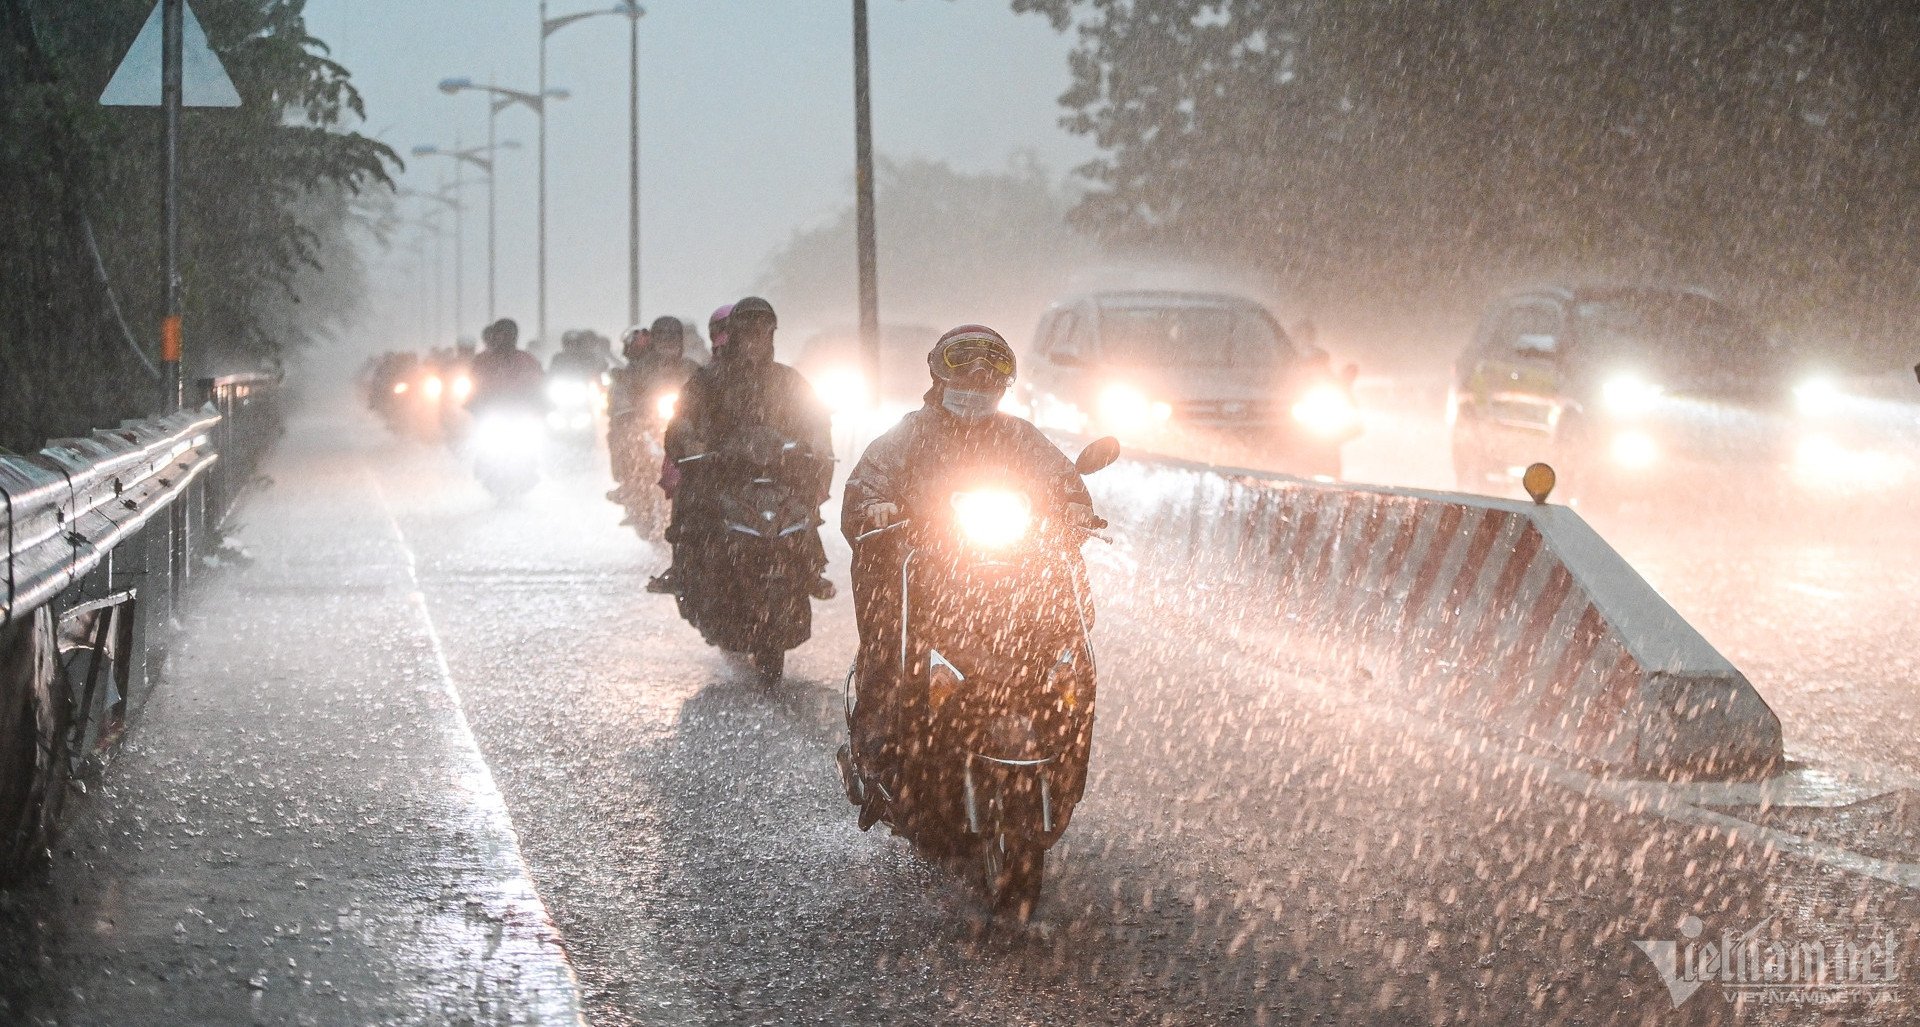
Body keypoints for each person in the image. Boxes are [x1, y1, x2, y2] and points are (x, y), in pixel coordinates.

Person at [837, 324, 1097, 813]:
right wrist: (876, 507)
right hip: (931, 576)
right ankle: (877, 756)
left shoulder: (1021, 436)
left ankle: (1061, 750)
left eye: (993, 362)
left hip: (1012, 577)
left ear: (1007, 378)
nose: (979, 374)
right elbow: (864, 485)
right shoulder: (909, 434)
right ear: (938, 370)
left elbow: (1064, 481)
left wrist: (1073, 507)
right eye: (965, 360)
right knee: (892, 644)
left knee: (1066, 652)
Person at [650, 297, 834, 597]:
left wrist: (813, 445)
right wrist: (693, 445)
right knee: (691, 501)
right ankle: (682, 569)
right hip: (722, 473)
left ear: (771, 335)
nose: (754, 340)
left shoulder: (789, 381)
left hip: (780, 472)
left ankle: (810, 567)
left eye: (762, 331)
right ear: (734, 334)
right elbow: (681, 423)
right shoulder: (707, 380)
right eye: (747, 331)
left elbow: (816, 421)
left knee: (802, 511)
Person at [606, 317, 701, 513]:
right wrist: (627, 410)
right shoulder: (639, 368)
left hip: (684, 426)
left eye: (673, 337)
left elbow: (706, 391)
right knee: (624, 437)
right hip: (647, 422)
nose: (668, 343)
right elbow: (626, 388)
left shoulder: (691, 368)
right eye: (663, 338)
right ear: (654, 340)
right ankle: (628, 483)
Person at [467, 318, 545, 415]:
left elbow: (539, 383)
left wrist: (543, 402)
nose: (505, 339)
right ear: (494, 336)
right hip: (490, 411)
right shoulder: (482, 360)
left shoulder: (527, 360)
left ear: (515, 336)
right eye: (501, 334)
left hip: (521, 411)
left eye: (508, 335)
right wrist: (472, 402)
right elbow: (473, 384)